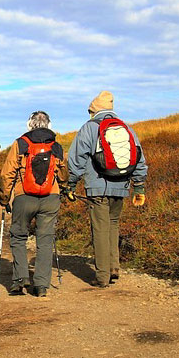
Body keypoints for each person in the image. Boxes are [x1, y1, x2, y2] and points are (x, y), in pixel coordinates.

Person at [64, 91, 147, 288]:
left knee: (100, 229)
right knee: (113, 224)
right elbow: (139, 159)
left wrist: (72, 184)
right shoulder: (127, 128)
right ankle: (113, 268)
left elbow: (76, 159)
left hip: (97, 188)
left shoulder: (89, 128)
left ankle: (102, 276)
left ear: (94, 111)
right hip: (122, 187)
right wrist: (139, 187)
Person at [0, 111, 67, 297]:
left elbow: (8, 173)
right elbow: (63, 173)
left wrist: (5, 198)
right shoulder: (56, 146)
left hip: (24, 197)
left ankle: (20, 281)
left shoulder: (20, 144)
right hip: (50, 197)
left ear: (29, 124)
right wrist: (63, 187)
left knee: (18, 236)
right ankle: (42, 286)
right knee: (45, 240)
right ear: (49, 125)